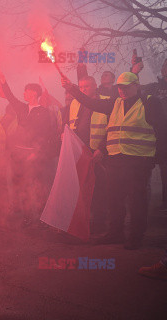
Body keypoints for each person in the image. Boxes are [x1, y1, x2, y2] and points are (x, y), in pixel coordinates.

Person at [62, 72, 167, 249]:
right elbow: (91, 103)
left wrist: (158, 158)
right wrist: (72, 88)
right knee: (114, 198)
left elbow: (162, 130)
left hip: (138, 160)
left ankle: (135, 237)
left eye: (126, 86)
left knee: (136, 200)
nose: (122, 90)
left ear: (136, 85)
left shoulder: (150, 102)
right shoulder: (115, 103)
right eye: (120, 87)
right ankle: (115, 233)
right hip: (116, 158)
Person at [0, 75, 59, 227]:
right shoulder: (22, 108)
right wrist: (3, 81)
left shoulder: (44, 112)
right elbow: (10, 96)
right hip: (18, 155)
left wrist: (36, 153)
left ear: (33, 93)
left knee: (38, 187)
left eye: (26, 91)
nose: (24, 94)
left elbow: (46, 135)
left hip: (34, 156)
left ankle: (42, 217)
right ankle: (26, 217)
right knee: (21, 186)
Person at [66, 76, 110, 234]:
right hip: (80, 153)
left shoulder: (106, 101)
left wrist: (102, 149)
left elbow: (112, 128)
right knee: (83, 189)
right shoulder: (75, 102)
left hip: (98, 154)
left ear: (95, 86)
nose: (83, 89)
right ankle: (85, 222)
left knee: (100, 190)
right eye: (81, 87)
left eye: (87, 86)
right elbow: (70, 125)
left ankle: (100, 223)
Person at [136, 58, 167, 212]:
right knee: (143, 170)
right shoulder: (154, 87)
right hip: (153, 136)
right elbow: (136, 89)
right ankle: (141, 206)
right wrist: (134, 71)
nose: (166, 68)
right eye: (165, 65)